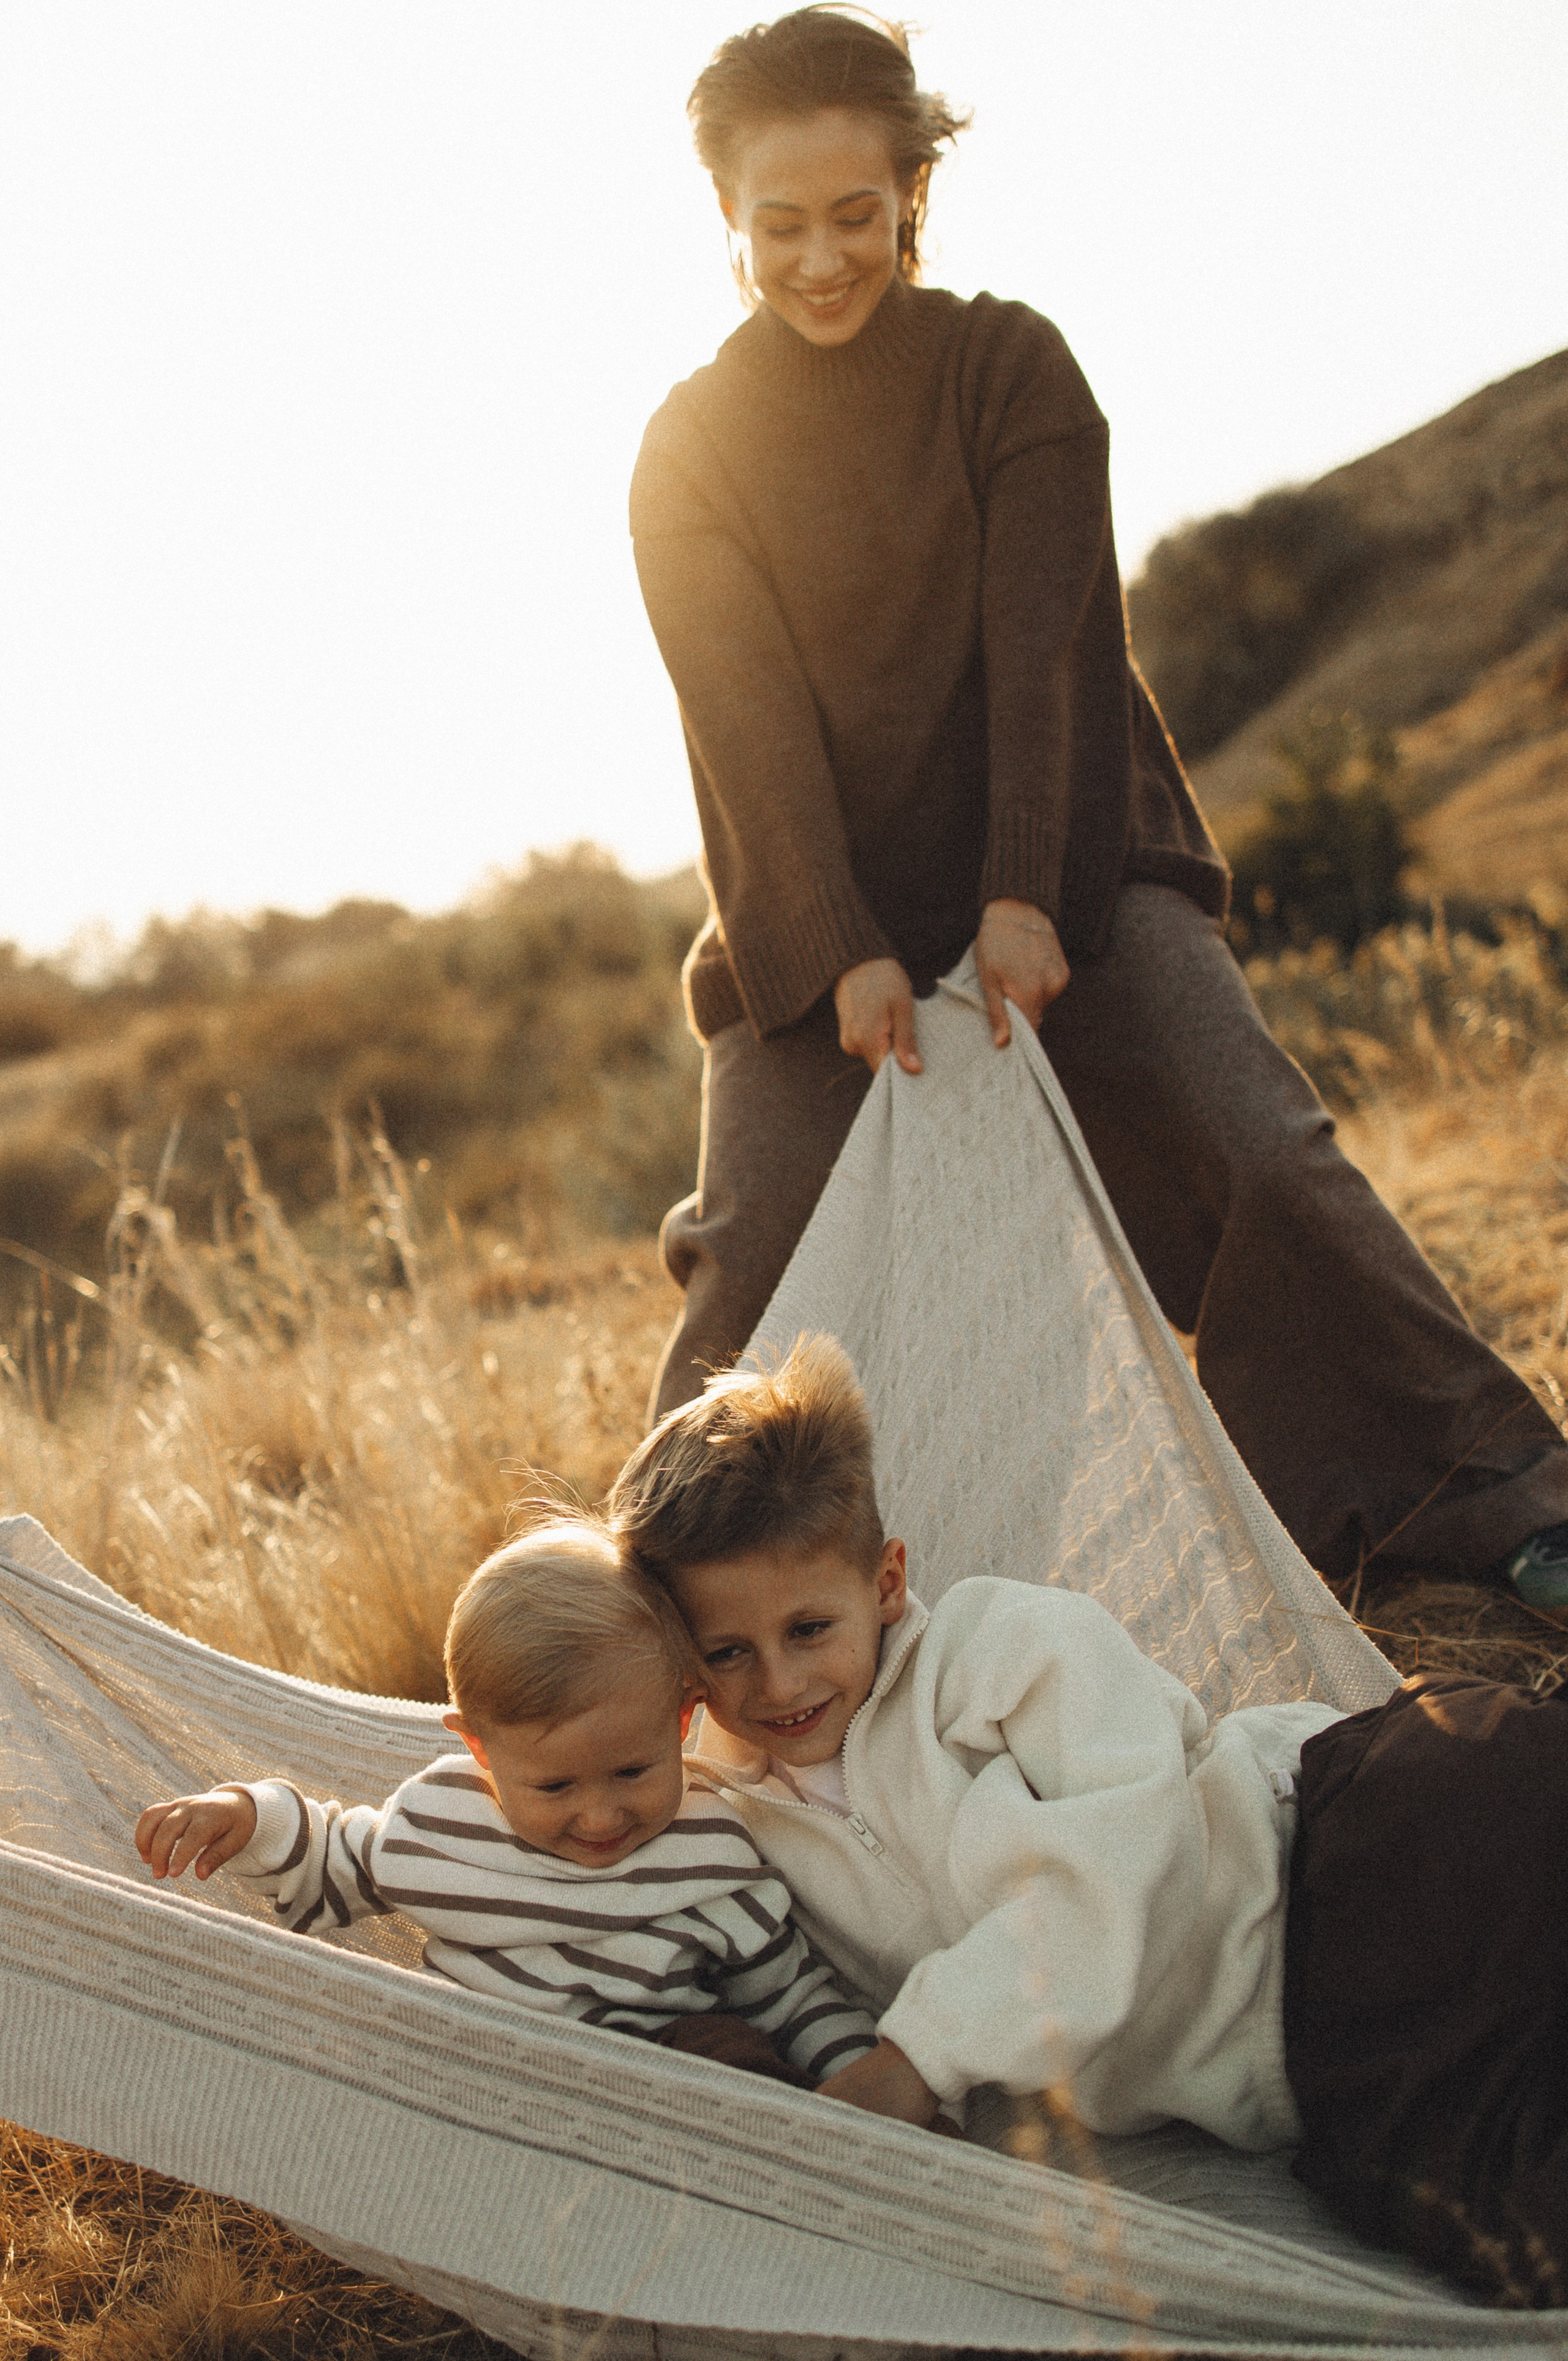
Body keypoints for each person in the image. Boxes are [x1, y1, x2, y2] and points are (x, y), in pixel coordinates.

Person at [628, 4, 1568, 1604]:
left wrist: (1023, 894)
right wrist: (842, 943)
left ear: (913, 193)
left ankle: (1482, 1508)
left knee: (1259, 1152)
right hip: (811, 913)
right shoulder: (689, 447)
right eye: (780, 224)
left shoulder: (1011, 368)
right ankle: (664, 1620)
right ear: (726, 213)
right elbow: (746, 733)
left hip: (1072, 853)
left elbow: (1049, 655)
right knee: (756, 1266)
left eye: (856, 213)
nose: (822, 257)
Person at [609, 1335, 1568, 2305]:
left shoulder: (999, 1649)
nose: (779, 1683)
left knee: (1512, 1799)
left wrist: (922, 2057)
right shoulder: (725, 1825)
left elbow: (1130, 1850)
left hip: (1332, 1846)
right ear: (681, 1660)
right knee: (1516, 2223)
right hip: (1317, 2061)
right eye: (726, 1651)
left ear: (886, 1583)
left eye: (809, 1629)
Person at [134, 1520, 877, 2090]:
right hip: (485, 2076)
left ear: (682, 1719)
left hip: (661, 2088)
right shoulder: (441, 1823)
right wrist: (249, 1815)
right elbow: (332, 1859)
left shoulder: (714, 1847)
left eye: (632, 1771)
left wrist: (865, 2079)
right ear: (480, 1748)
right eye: (555, 1787)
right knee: (384, 2044)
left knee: (731, 2050)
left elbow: (789, 1995)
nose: (600, 1816)